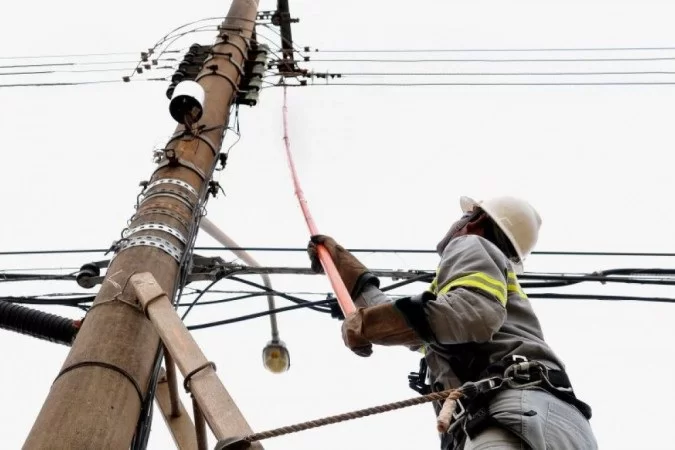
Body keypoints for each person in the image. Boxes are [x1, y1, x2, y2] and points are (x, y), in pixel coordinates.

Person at [307, 195, 598, 450]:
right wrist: (345, 272)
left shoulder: (471, 244)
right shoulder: (473, 301)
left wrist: (367, 326)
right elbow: (420, 322)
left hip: (512, 411)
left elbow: (471, 315)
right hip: (550, 419)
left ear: (475, 220)